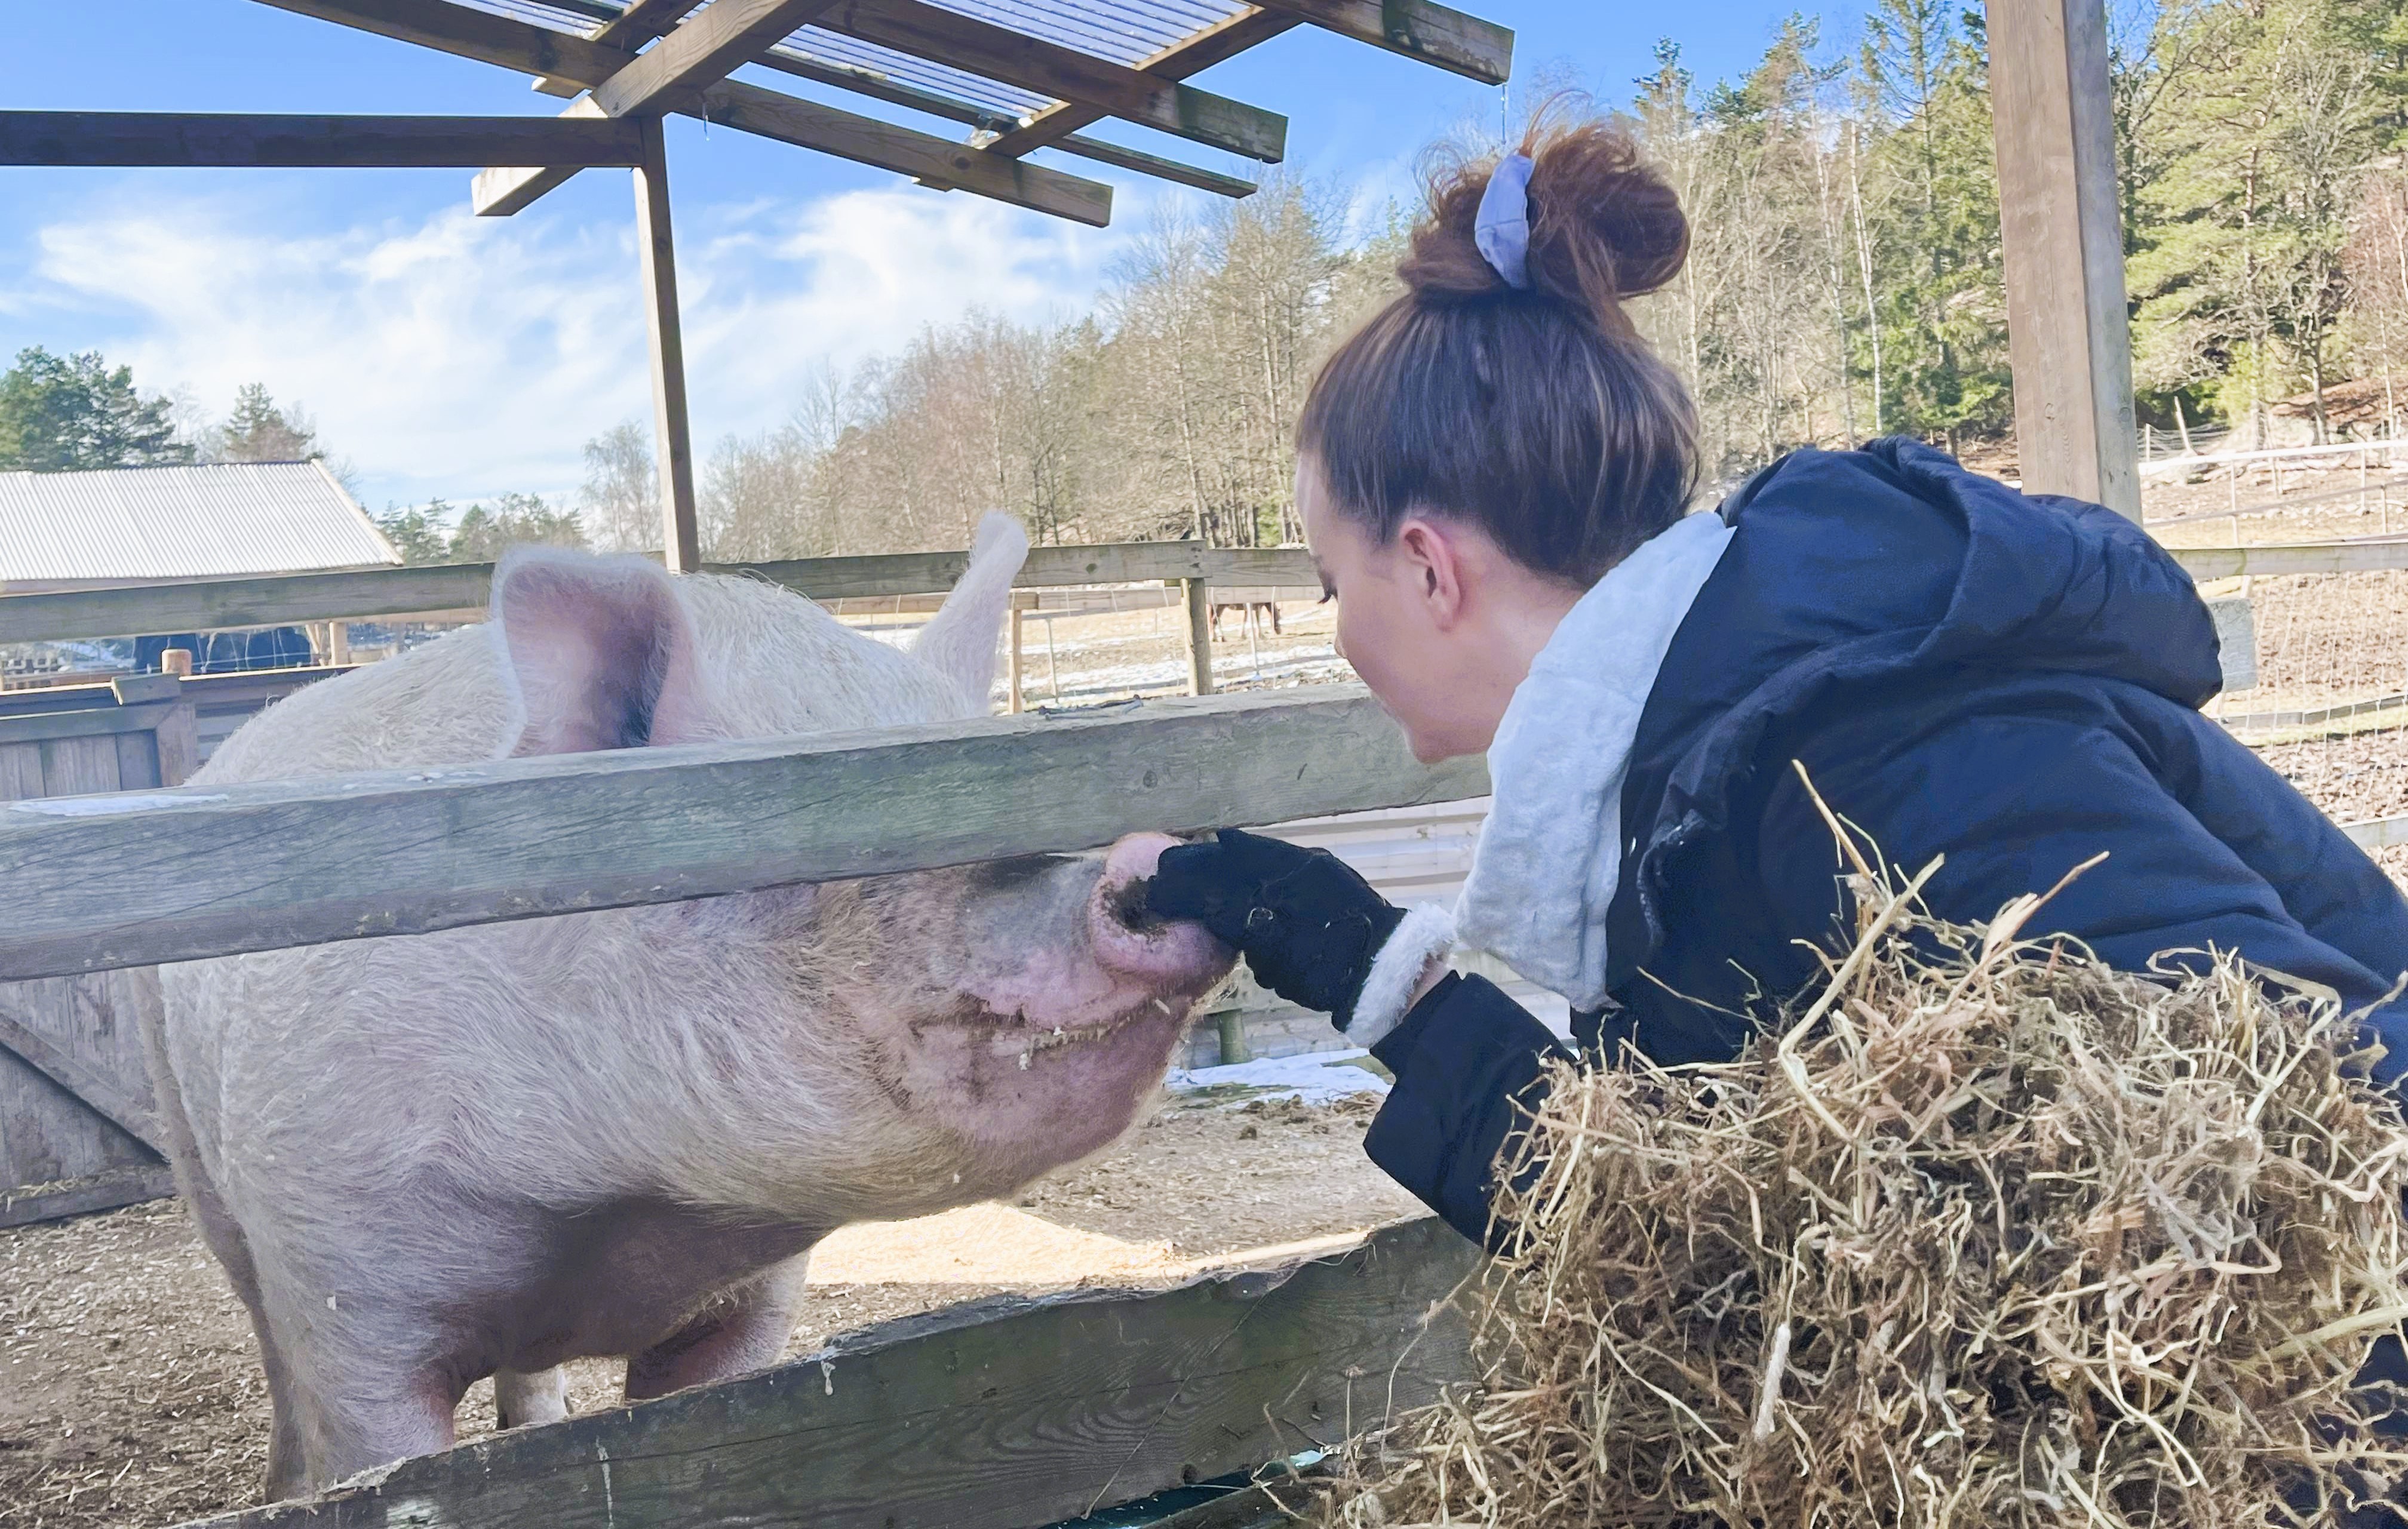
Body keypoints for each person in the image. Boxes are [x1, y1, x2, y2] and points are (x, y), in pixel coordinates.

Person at [1143, 113, 2408, 1505]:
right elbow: (1708, 1229)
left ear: (1430, 568)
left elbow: (2298, 1187)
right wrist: (1368, 972)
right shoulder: (1708, 766)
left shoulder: (1866, 755)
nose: (1336, 632)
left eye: (1336, 585)